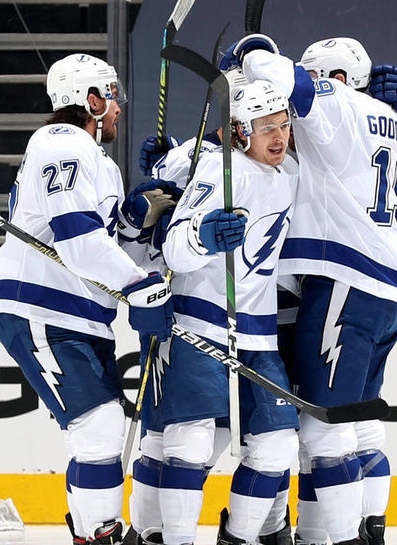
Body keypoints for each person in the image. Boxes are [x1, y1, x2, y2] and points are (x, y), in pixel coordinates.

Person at [0, 53, 175, 545]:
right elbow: (77, 240)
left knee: (101, 434)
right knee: (100, 430)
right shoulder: (60, 142)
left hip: (81, 315)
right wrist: (138, 286)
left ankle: (92, 532)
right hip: (42, 308)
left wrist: (135, 224)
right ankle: (99, 535)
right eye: (111, 96)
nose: (117, 108)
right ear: (90, 100)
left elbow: (103, 245)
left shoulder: (99, 164)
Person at [237, 35, 397, 545]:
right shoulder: (387, 118)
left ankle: (343, 538)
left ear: (338, 80)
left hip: (347, 281)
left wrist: (250, 55)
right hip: (382, 287)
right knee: (354, 419)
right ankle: (353, 531)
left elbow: (282, 76)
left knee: (323, 429)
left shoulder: (338, 103)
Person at [125, 68, 295, 545]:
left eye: (283, 124)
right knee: (190, 439)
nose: (279, 135)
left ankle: (236, 538)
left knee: (278, 440)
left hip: (256, 331)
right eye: (266, 127)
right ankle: (167, 537)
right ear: (241, 131)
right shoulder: (225, 171)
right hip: (200, 320)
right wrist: (202, 235)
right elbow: (177, 245)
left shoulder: (288, 173)